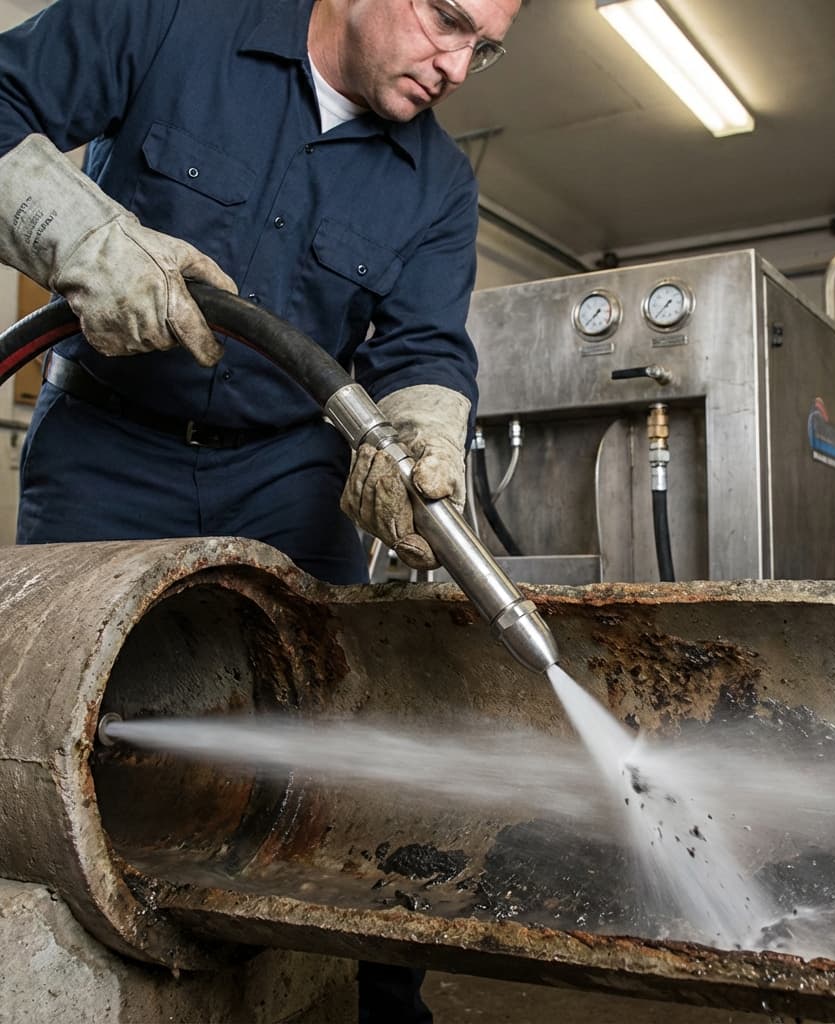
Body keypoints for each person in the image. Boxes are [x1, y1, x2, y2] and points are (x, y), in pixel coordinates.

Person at [0, 0, 521, 1020]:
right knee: (63, 730)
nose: (457, 67)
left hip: (290, 472)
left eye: (484, 48)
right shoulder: (168, 19)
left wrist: (419, 428)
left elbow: (420, 344)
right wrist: (81, 235)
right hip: (109, 444)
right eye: (448, 21)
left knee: (329, 738)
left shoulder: (438, 182)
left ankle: (359, 1000)